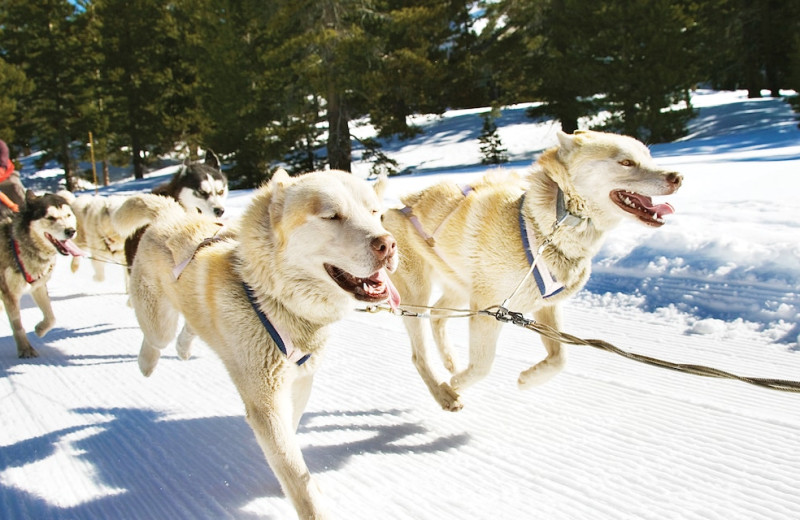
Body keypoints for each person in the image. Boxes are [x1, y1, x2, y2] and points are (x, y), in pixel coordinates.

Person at [0, 138, 25, 214]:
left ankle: (27, 209)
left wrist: (2, 166)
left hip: (8, 175)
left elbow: (3, 148)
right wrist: (11, 205)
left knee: (15, 186)